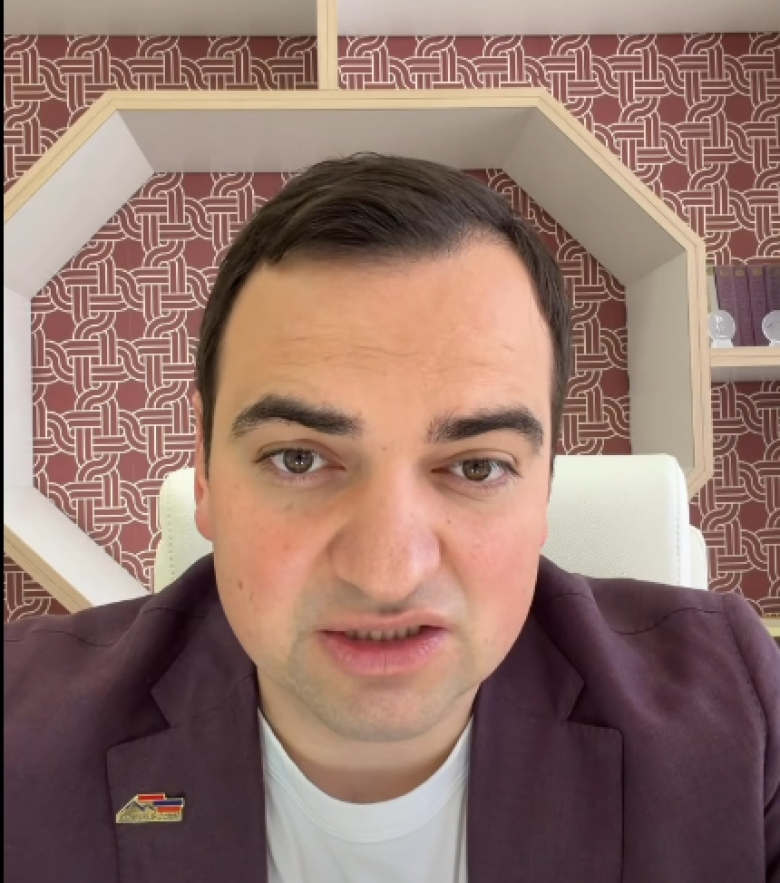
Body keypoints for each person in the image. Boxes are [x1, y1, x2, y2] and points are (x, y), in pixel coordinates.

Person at [5, 154, 779, 883]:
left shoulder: (738, 716)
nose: (387, 574)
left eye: (476, 466)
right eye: (299, 459)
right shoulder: (19, 732)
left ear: (545, 482)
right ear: (205, 469)